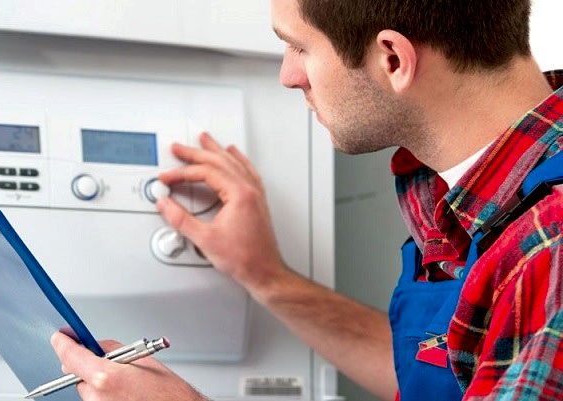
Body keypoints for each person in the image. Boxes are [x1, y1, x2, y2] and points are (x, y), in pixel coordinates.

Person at [51, 0, 563, 400]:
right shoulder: (477, 189)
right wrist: (264, 275)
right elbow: (457, 368)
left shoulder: (550, 245)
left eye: (298, 47)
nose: (287, 76)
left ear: (392, 58)